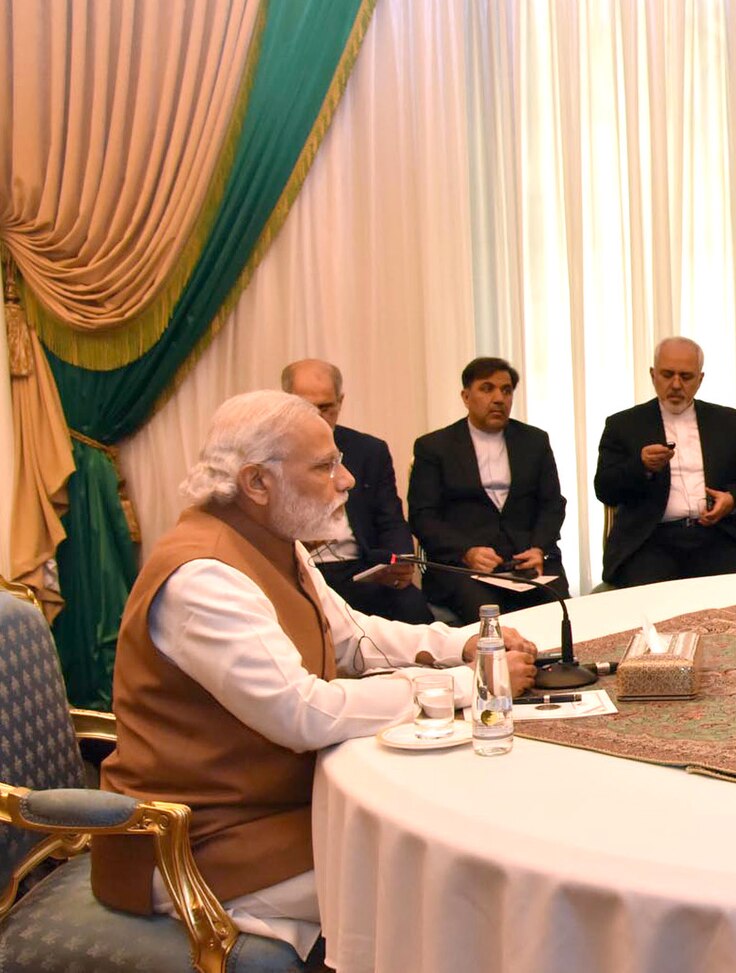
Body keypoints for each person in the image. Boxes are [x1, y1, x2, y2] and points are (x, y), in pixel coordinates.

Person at [91, 390, 538, 961]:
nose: (347, 478)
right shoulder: (203, 578)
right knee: (452, 874)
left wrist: (465, 644)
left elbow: (354, 639)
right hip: (200, 842)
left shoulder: (274, 542)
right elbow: (303, 714)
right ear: (257, 483)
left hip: (277, 809)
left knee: (448, 835)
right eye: (325, 465)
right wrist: (462, 687)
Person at [595, 337, 736, 587]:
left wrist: (731, 500)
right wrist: (641, 467)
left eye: (686, 377)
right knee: (649, 605)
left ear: (700, 379)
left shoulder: (727, 421)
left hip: (716, 536)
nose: (676, 384)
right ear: (653, 375)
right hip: (649, 541)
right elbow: (604, 489)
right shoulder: (624, 425)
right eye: (668, 375)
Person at [409, 357, 569, 623]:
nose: (499, 398)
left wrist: (539, 548)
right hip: (465, 568)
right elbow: (423, 516)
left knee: (560, 615)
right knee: (492, 620)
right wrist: (466, 552)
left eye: (506, 391)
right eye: (487, 389)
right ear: (466, 396)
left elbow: (552, 504)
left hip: (527, 562)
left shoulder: (534, 441)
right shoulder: (435, 447)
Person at [280, 359, 434, 624]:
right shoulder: (269, 453)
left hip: (358, 568)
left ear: (340, 402)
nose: (316, 418)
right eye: (305, 408)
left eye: (326, 408)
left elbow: (390, 519)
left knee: (412, 606)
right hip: (298, 569)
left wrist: (399, 562)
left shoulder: (369, 451)